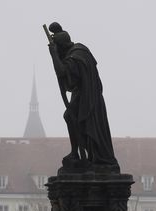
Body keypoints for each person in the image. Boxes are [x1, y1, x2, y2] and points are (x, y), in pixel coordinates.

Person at [46, 22, 119, 170]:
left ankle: (78, 154)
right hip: (85, 94)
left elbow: (62, 72)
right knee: (70, 117)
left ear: (62, 46)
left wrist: (54, 55)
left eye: (59, 48)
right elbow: (71, 80)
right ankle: (76, 153)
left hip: (88, 98)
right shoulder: (79, 51)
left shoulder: (76, 56)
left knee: (71, 117)